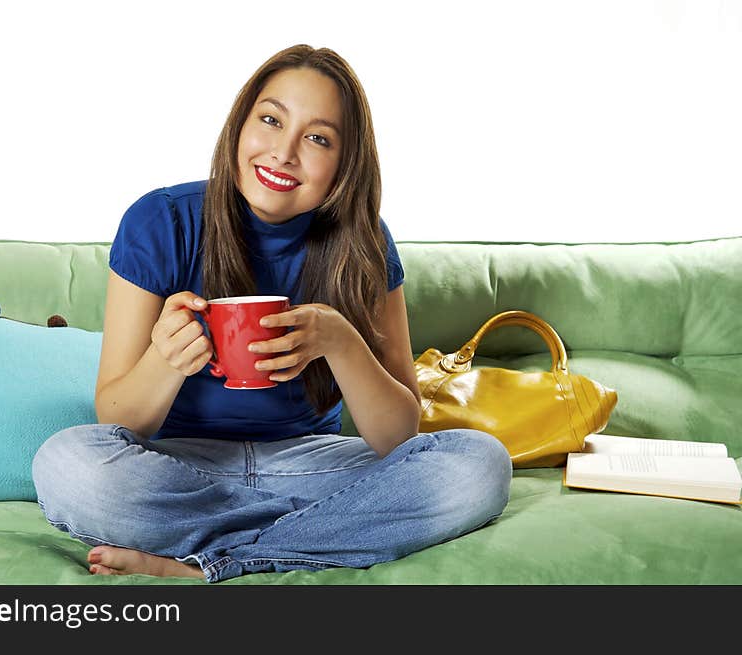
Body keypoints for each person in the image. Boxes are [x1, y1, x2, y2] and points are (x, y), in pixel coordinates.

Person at [32, 44, 511, 583]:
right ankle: (320, 535)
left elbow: (399, 437)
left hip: (317, 465)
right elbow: (118, 419)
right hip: (182, 471)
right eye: (270, 120)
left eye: (317, 138)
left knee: (479, 463)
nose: (284, 153)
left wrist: (341, 342)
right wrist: (166, 359)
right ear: (240, 125)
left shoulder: (365, 244)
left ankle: (218, 561)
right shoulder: (161, 222)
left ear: (345, 163)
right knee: (66, 463)